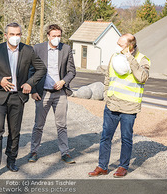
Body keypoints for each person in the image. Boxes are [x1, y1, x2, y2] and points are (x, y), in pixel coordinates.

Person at [0, 22, 46, 176]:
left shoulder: (28, 50)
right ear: (6, 35)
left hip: (18, 97)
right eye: (12, 34)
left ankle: (11, 161)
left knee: (14, 132)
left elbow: (41, 68)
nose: (15, 37)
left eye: (18, 34)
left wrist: (30, 83)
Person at [88, 33, 150, 178]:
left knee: (126, 138)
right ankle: (102, 167)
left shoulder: (142, 59)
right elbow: (108, 77)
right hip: (112, 105)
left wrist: (129, 57)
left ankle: (123, 167)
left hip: (129, 107)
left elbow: (142, 77)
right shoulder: (114, 56)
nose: (117, 47)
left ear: (130, 46)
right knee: (105, 137)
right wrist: (106, 95)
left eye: (120, 45)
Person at [28, 24, 76, 164]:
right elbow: (31, 71)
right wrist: (33, 90)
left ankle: (65, 152)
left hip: (60, 93)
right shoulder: (38, 49)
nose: (56, 38)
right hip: (43, 93)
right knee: (38, 124)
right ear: (48, 36)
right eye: (54, 36)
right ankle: (34, 151)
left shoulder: (66, 49)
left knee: (62, 125)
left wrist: (63, 81)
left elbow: (72, 71)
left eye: (59, 36)